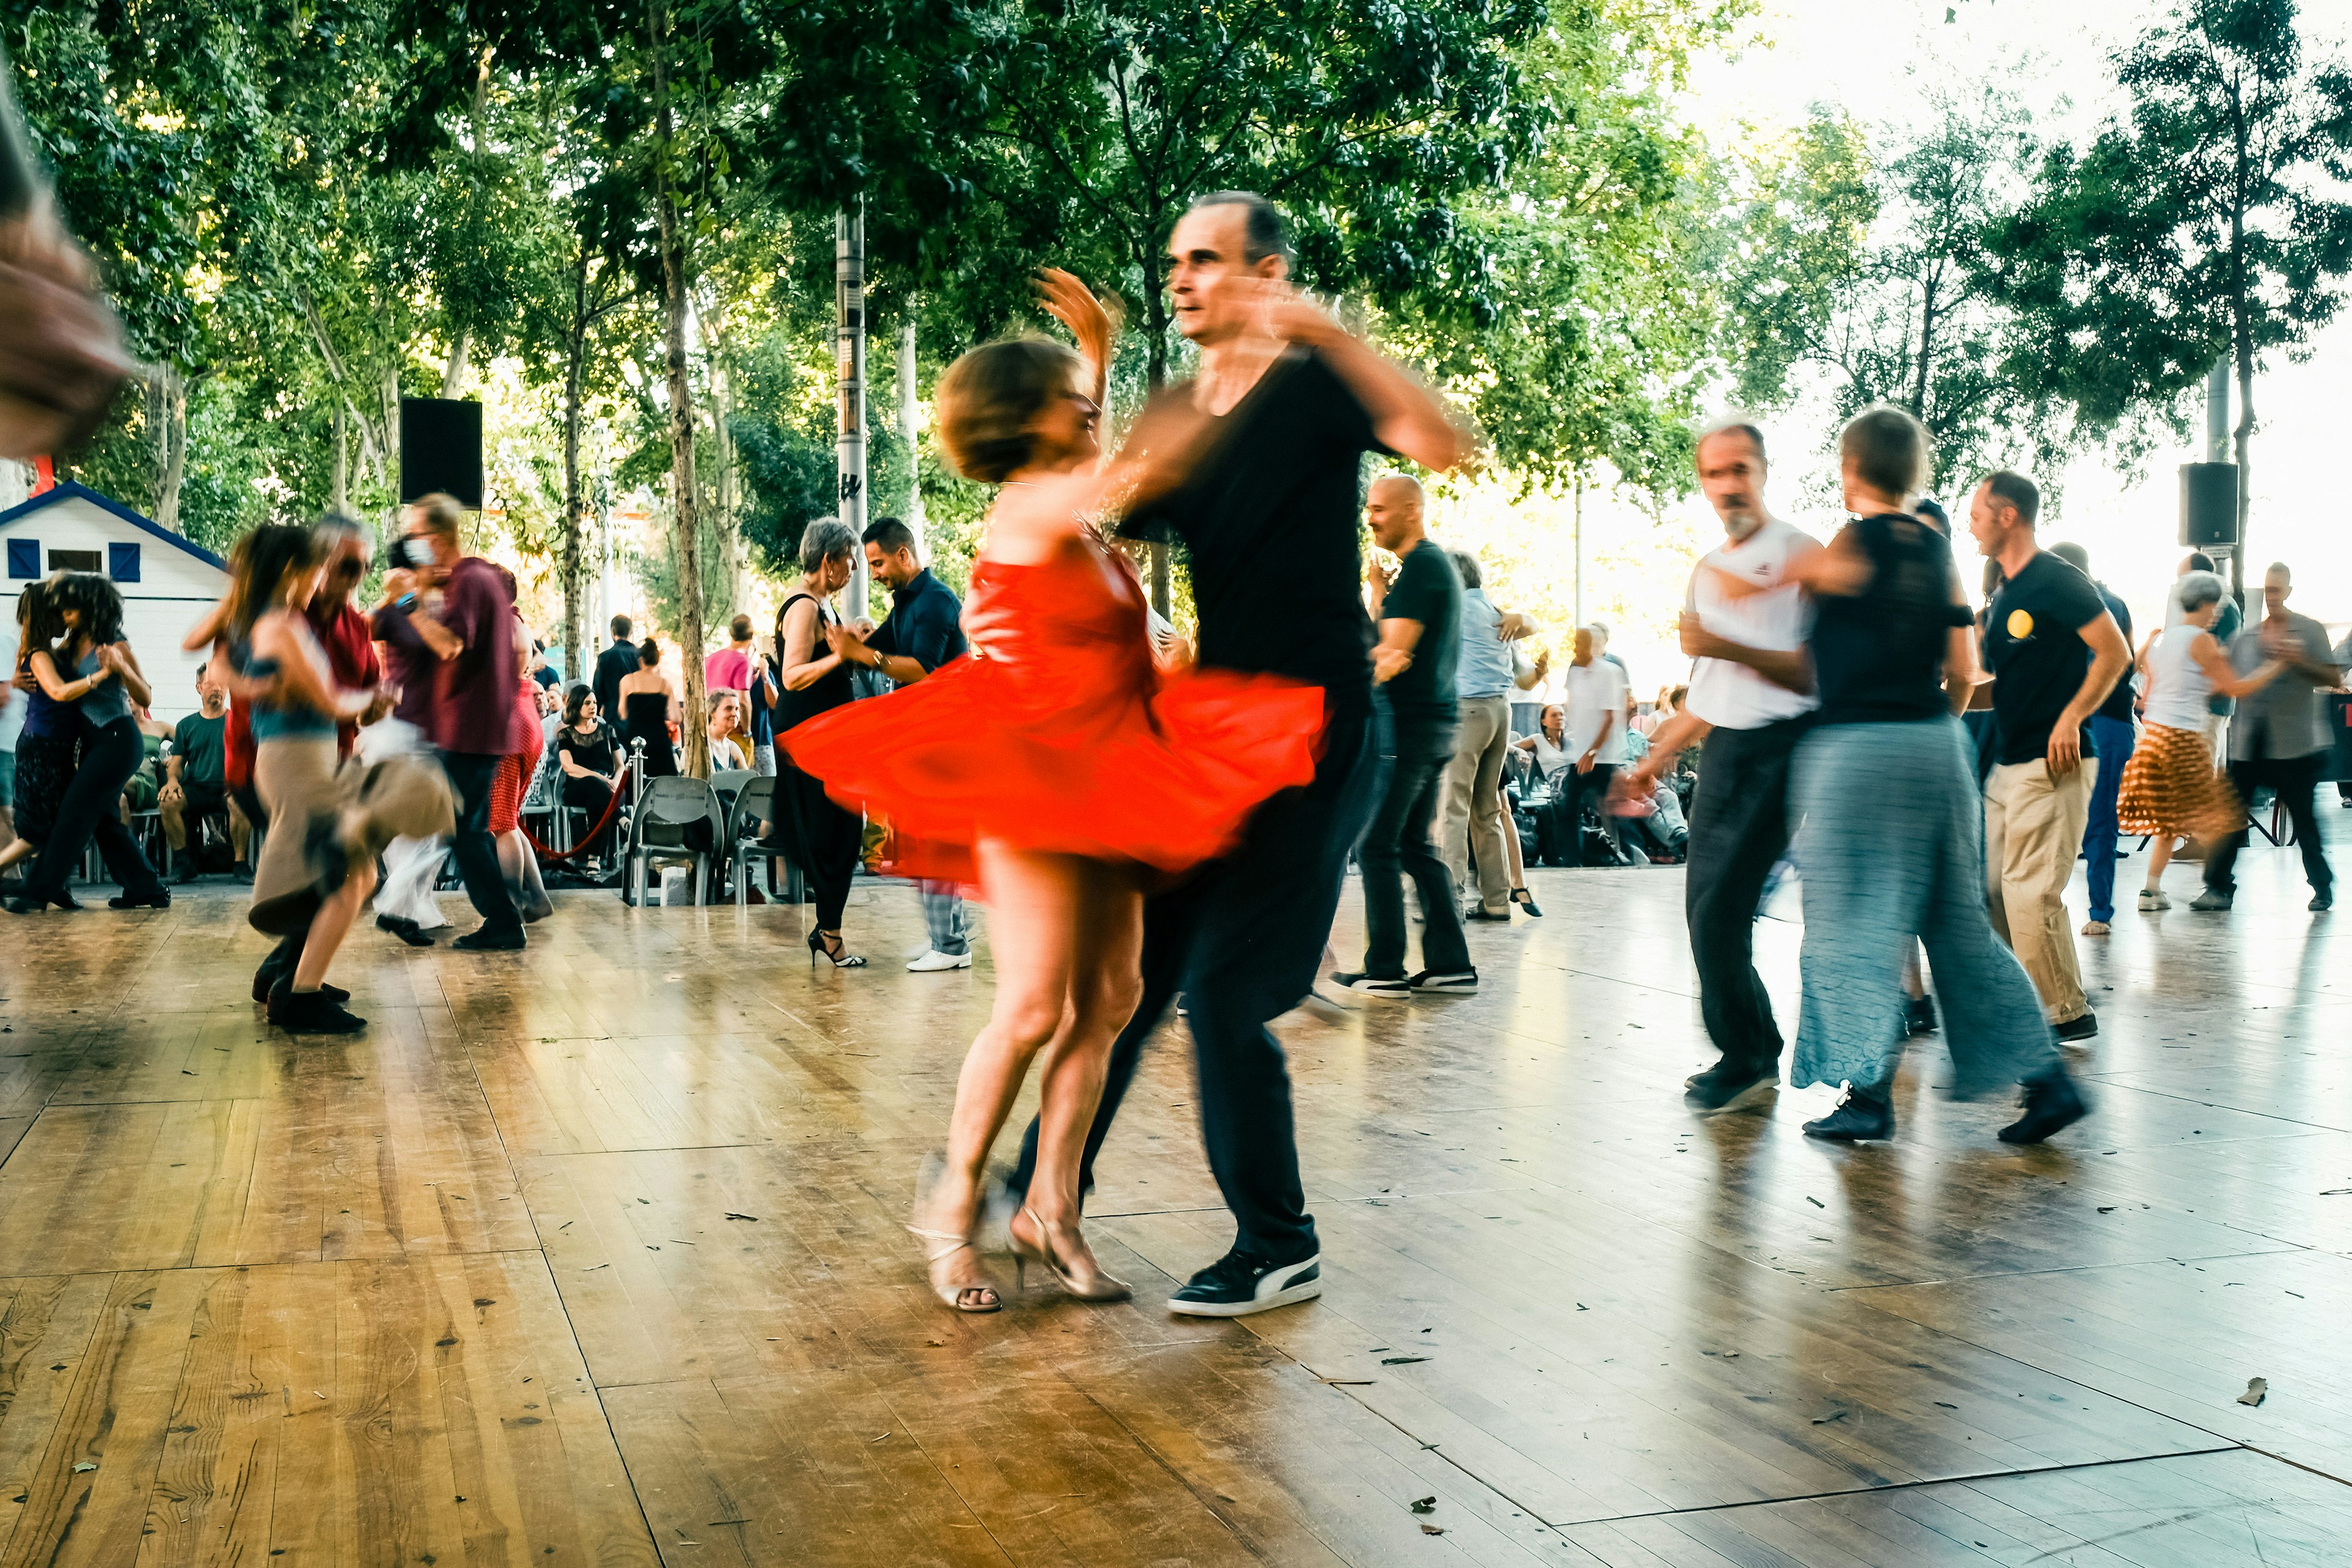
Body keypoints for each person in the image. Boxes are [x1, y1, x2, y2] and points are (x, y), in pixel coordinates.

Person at [783, 276, 1322, 1315]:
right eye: (1069, 397)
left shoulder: (1067, 519)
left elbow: (1101, 464)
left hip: (1107, 775)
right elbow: (1132, 464)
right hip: (1034, 777)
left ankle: (1051, 1210)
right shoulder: (1032, 508)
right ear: (1021, 422)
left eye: (1086, 395)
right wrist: (1233, 355)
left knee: (1110, 1004)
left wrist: (1101, 355)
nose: (1088, 409)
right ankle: (950, 1212)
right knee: (1033, 1006)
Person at [1000, 192, 1459, 1317]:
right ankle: (1040, 1191)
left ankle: (1280, 1239)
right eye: (1176, 263)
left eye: (1205, 260)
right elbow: (1095, 502)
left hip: (1321, 727)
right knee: (1137, 975)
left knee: (1225, 994)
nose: (1182, 277)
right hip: (1211, 730)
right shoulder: (1180, 409)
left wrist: (1329, 331)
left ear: (1266, 271)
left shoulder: (1314, 387)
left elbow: (1442, 441)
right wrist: (1098, 360)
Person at [1747, 405, 2087, 1145]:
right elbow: (1966, 671)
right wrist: (1932, 732)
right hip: (1937, 747)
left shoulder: (1849, 542)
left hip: (1858, 753)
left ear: (1850, 468)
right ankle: (2049, 1080)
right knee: (1960, 930)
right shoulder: (1939, 553)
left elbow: (1805, 655)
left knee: (1849, 930)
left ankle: (1869, 1096)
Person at [1613, 420, 1819, 1109]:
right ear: (1702, 482)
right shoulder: (1706, 569)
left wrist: (1726, 638)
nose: (1728, 484)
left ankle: (1748, 1052)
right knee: (1702, 909)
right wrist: (1655, 759)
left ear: (1762, 468)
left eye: (1740, 469)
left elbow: (1812, 675)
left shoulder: (1801, 555)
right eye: (1714, 473)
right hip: (1725, 751)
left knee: (1723, 909)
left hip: (1782, 748)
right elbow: (1706, 693)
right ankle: (1753, 1045)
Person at [1969, 470, 2129, 1044]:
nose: (1972, 523)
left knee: (2030, 893)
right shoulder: (2006, 592)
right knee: (1987, 890)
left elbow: (2115, 653)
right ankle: (2026, 1000)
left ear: (2007, 515)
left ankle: (2064, 1012)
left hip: (2055, 761)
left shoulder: (2058, 580)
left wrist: (2072, 716)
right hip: (2008, 765)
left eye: (1978, 512)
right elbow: (2000, 685)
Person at [213, 526, 382, 1031]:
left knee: (341, 874)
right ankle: (295, 988)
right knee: (341, 873)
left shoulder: (355, 627)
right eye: (346, 565)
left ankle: (286, 976)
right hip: (267, 764)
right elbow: (222, 662)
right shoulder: (280, 614)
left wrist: (375, 706)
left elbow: (360, 705)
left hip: (324, 762)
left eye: (364, 567)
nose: (356, 578)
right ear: (314, 564)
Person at [1335, 473, 1474, 995]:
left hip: (1411, 727)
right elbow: (1389, 635)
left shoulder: (1422, 568)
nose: (1370, 518)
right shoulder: (1425, 569)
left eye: (1379, 509)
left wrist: (1340, 687)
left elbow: (1393, 653)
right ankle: (1450, 966)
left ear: (1411, 509)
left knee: (1377, 846)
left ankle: (1386, 970)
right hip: (1434, 724)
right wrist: (1376, 592)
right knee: (1415, 844)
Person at [827, 515, 976, 973]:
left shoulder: (935, 602)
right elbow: (885, 645)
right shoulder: (908, 603)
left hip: (947, 738)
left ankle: (950, 946)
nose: (873, 573)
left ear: (904, 555)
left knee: (932, 840)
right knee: (922, 838)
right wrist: (857, 642)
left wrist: (863, 653)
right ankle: (949, 939)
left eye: (877, 563)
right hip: (926, 737)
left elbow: (923, 669)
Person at [395, 493, 529, 951]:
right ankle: (498, 916)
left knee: (462, 828)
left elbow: (450, 646)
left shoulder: (470, 581)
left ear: (437, 536)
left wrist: (409, 604)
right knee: (459, 825)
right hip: (477, 726)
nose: (414, 545)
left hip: (470, 729)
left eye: (416, 536)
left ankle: (501, 919)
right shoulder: (478, 578)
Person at [2117, 569, 2285, 909]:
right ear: (2206, 603)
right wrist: (2275, 667)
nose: (2219, 613)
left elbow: (2144, 688)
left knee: (2169, 822)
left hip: (2153, 741)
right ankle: (2218, 886)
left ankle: (2151, 891)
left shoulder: (2162, 639)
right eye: (2217, 606)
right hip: (2183, 742)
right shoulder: (2201, 640)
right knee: (2220, 820)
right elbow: (2234, 688)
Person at [6, 572, 170, 913]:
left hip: (118, 739)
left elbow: (146, 694)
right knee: (106, 821)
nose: (64, 616)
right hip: (94, 744)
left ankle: (39, 887)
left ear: (89, 607)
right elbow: (47, 671)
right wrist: (19, 681)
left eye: (69, 610)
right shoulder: (68, 644)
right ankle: (146, 887)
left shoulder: (114, 643)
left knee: (74, 813)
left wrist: (122, 669)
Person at [2195, 563, 2342, 913]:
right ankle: (2218, 887)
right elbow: (2230, 682)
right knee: (2231, 816)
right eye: (2267, 590)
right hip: (2249, 744)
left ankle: (2321, 886)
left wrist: (2299, 661)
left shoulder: (2308, 630)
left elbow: (2332, 675)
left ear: (2288, 591)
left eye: (2277, 590)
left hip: (2295, 745)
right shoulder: (2245, 638)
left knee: (2305, 821)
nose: (2272, 597)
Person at [771, 519, 867, 967]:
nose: (854, 569)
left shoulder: (821, 605)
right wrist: (838, 658)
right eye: (849, 560)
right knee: (838, 832)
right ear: (828, 560)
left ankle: (829, 932)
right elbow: (791, 676)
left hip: (826, 737)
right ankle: (829, 934)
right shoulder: (805, 606)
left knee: (843, 832)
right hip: (811, 738)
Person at [1439, 548, 1545, 922]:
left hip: (1466, 711)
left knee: (1453, 807)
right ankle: (1497, 900)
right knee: (1488, 809)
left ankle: (1450, 900)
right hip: (1501, 710)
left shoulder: (1452, 609)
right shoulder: (1496, 614)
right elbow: (1525, 671)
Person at [2048, 542, 2136, 935]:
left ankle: (2078, 908)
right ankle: (2099, 910)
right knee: (2101, 815)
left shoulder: (2060, 600)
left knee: (2065, 814)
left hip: (2077, 717)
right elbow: (2129, 658)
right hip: (2115, 718)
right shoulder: (2117, 603)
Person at [0, 582, 67, 893]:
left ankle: (44, 884)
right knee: (25, 825)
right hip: (27, 744)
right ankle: (28, 884)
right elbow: (4, 696)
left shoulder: (38, 650)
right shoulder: (28, 651)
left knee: (36, 823)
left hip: (34, 742)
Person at [158, 663, 247, 880]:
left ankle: (240, 864)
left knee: (241, 802)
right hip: (197, 788)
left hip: (228, 787)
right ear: (199, 687)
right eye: (209, 683)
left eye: (221, 683)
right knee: (168, 802)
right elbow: (177, 764)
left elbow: (249, 760)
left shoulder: (239, 721)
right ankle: (183, 864)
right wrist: (172, 781)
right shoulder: (186, 726)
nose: (216, 688)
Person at [1557, 625, 1632, 865]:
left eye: (1580, 642)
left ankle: (1618, 855)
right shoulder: (1575, 671)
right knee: (1569, 809)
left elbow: (1610, 716)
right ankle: (1572, 861)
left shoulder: (1610, 671)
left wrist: (1593, 751)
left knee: (1608, 809)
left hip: (1603, 754)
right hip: (1579, 753)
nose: (1575, 646)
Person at [2171, 551, 2243, 766]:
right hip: (2202, 706)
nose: (2179, 585)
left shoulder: (2223, 607)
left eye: (2183, 578)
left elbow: (2226, 660)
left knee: (2202, 770)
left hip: (2210, 706)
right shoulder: (2209, 609)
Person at [555, 684, 624, 861]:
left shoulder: (607, 730)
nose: (593, 706)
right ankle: (621, 819)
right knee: (593, 784)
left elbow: (620, 766)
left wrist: (615, 781)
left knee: (597, 802)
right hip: (577, 787)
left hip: (609, 786)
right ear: (577, 706)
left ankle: (594, 859)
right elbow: (569, 766)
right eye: (587, 703)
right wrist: (599, 777)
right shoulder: (565, 734)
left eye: (594, 702)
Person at [616, 639, 679, 777]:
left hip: (635, 737)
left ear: (640, 660)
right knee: (662, 780)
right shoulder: (665, 684)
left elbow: (623, 713)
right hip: (659, 739)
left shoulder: (628, 680)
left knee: (634, 779)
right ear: (657, 661)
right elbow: (676, 717)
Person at [593, 614, 638, 724]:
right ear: (630, 633)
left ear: (613, 632)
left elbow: (598, 691)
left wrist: (596, 716)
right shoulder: (641, 656)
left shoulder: (605, 657)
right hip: (639, 715)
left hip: (613, 717)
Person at [706, 613, 756, 698]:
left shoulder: (710, 658)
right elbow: (743, 701)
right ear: (751, 636)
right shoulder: (742, 661)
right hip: (728, 709)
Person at [706, 690, 748, 772]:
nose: (734, 714)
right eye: (728, 709)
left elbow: (748, 778)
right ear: (712, 713)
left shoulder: (732, 747)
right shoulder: (702, 744)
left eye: (737, 709)